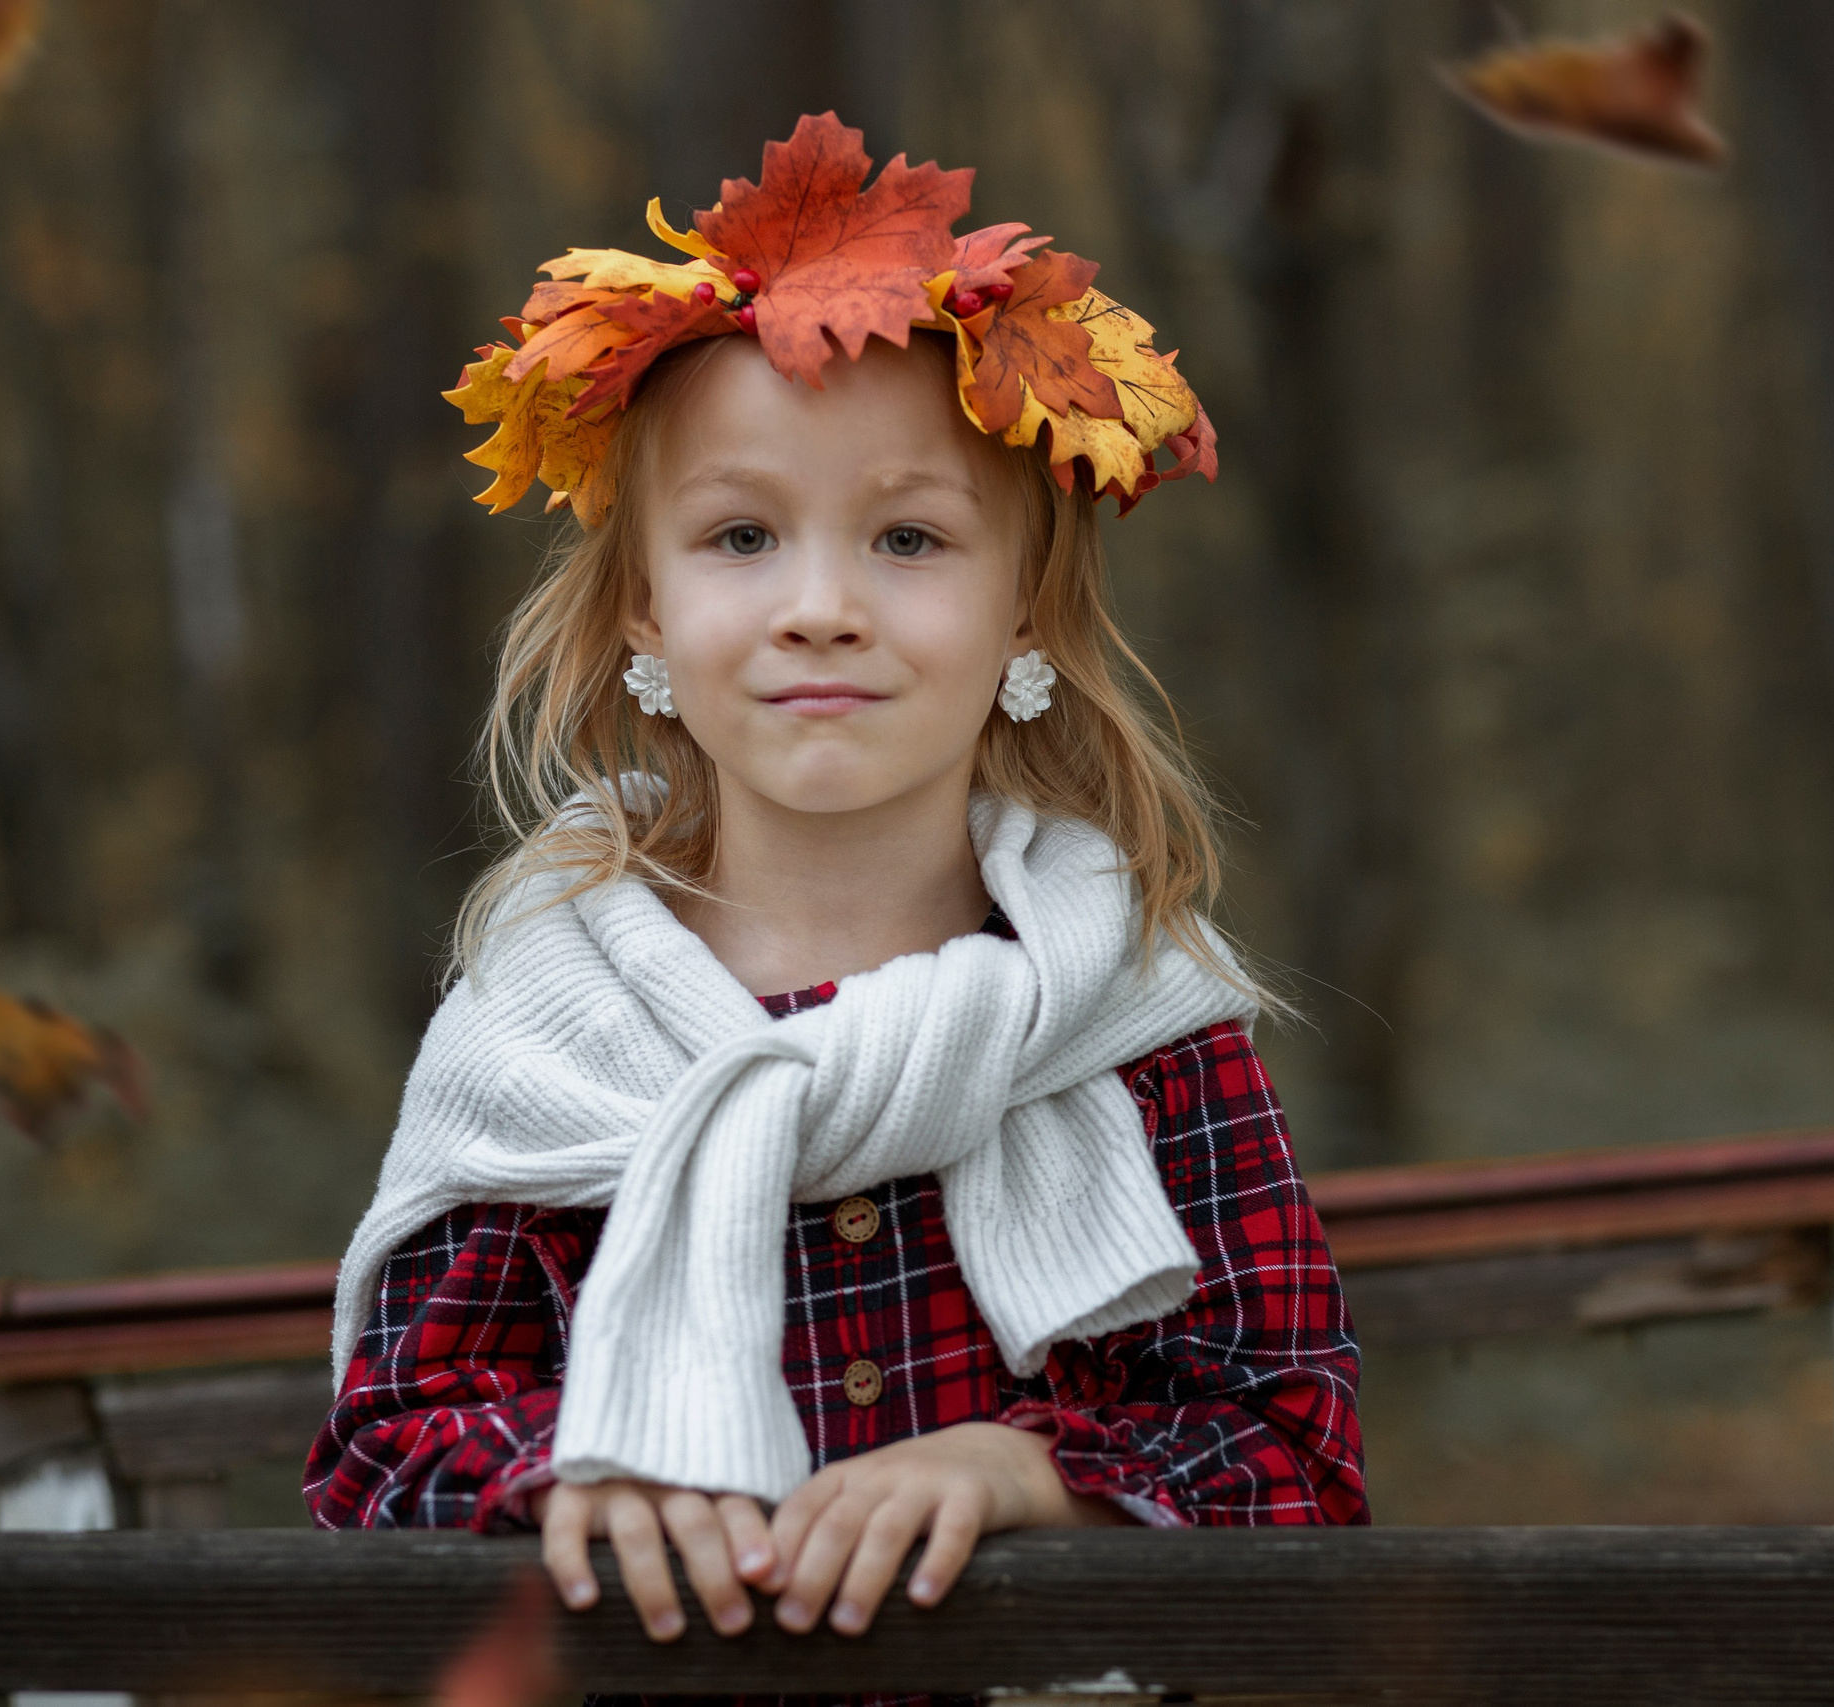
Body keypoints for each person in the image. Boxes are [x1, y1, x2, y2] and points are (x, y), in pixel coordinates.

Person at [303, 111, 1366, 1678]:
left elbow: (1294, 1456)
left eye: (909, 537)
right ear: (643, 611)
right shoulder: (546, 1029)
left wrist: (1035, 1476)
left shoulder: (1135, 1016)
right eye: (743, 535)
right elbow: (381, 1457)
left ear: (1027, 617)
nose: (820, 609)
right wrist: (579, 1470)